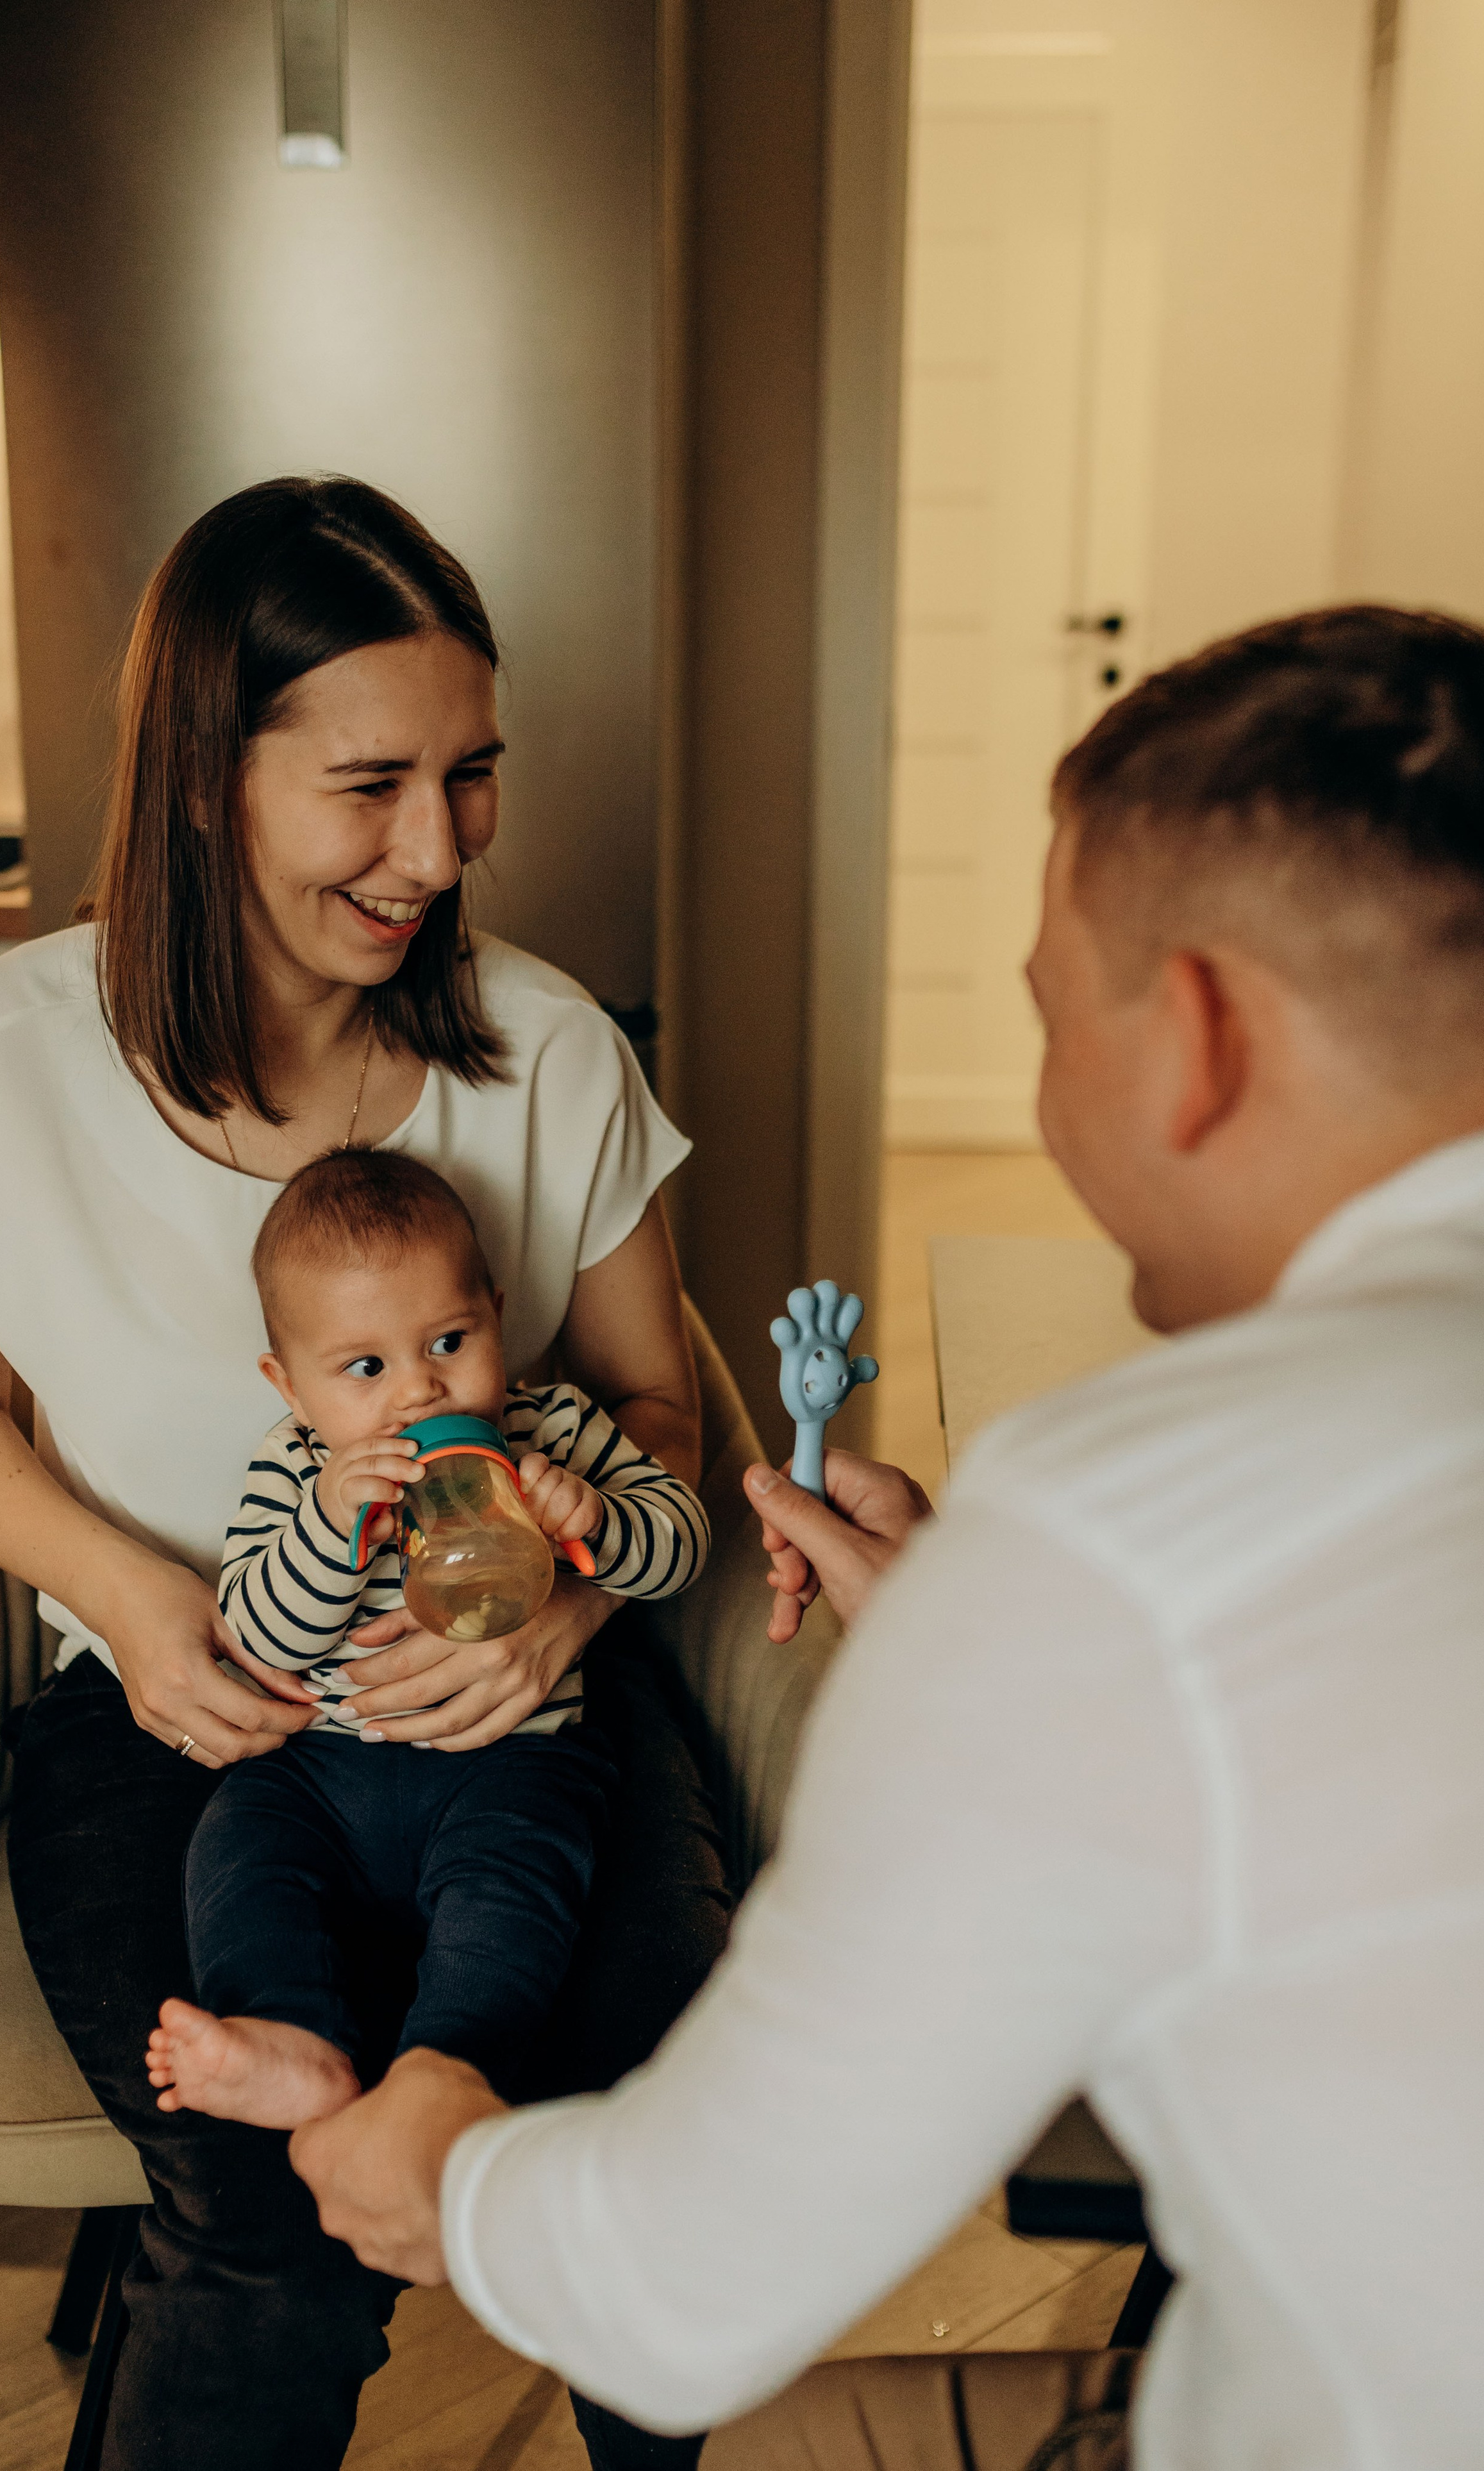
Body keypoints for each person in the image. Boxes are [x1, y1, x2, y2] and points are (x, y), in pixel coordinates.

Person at [285, 607, 1484, 2470]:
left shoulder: (1133, 1528)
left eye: (1046, 1005)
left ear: (1199, 1034)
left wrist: (440, 2163)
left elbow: (686, 2280)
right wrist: (987, 1645)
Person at [0, 476, 730, 2471]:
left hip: (533, 1706)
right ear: (200, 780)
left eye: (474, 773)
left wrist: (566, 1604)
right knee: (262, 2235)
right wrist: (148, 1603)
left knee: (634, 2160)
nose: (440, 845)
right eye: (372, 782)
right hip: (188, 1715)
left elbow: (657, 1420)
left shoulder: (551, 1050)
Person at [149, 1144, 708, 2132]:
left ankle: (447, 2064)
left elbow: (683, 1546)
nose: (419, 1392)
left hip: (510, 1756)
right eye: (365, 1367)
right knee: (239, 1853)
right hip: (318, 1767)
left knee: (516, 1895)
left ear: (498, 1313)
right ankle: (288, 2037)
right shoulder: (297, 1468)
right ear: (290, 1385)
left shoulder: (553, 1429)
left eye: (449, 1341)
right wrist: (330, 1524)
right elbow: (259, 1632)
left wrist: (597, 1521)